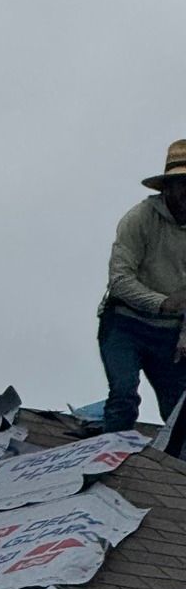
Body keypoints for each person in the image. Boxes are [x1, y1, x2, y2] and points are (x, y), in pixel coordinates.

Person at [100, 140, 186, 433]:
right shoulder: (139, 219)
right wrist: (162, 303)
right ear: (167, 188)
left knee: (180, 411)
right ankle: (106, 467)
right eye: (181, 184)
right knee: (124, 395)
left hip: (170, 333)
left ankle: (174, 475)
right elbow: (120, 280)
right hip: (125, 324)